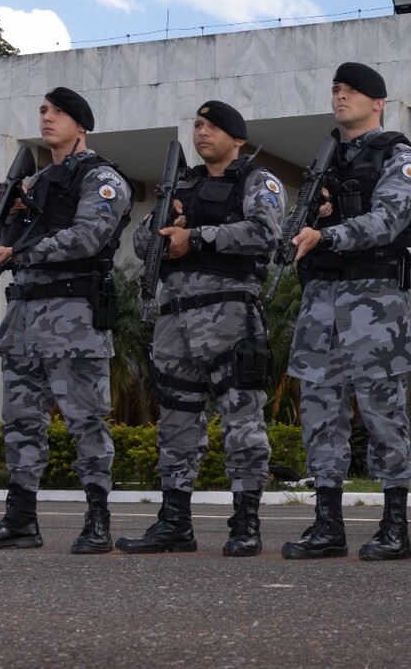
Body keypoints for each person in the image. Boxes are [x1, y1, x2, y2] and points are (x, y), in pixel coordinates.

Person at [0, 87, 132, 554]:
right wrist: (15, 220)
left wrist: (22, 248)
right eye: (42, 111)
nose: (47, 118)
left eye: (57, 112)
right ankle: (20, 520)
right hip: (25, 316)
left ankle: (98, 520)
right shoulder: (31, 187)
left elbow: (89, 235)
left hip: (74, 315)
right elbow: (12, 248)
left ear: (81, 124)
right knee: (20, 422)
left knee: (86, 422)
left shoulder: (102, 178)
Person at [117, 101, 284, 558]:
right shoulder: (181, 185)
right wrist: (167, 227)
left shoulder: (257, 181)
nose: (201, 131)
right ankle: (174, 523)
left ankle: (246, 523)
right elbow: (140, 242)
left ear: (237, 138)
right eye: (197, 124)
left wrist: (199, 236)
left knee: (242, 424)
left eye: (211, 126)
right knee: (175, 424)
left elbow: (266, 233)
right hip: (174, 319)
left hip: (230, 315)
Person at [281, 62, 411, 561]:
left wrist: (329, 233)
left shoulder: (400, 158)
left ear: (378, 102)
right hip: (321, 299)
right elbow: (295, 228)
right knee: (321, 415)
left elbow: (388, 220)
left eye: (352, 90)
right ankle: (327, 525)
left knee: (384, 417)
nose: (340, 96)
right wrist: (315, 217)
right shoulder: (326, 162)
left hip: (374, 302)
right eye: (336, 89)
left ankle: (395, 528)